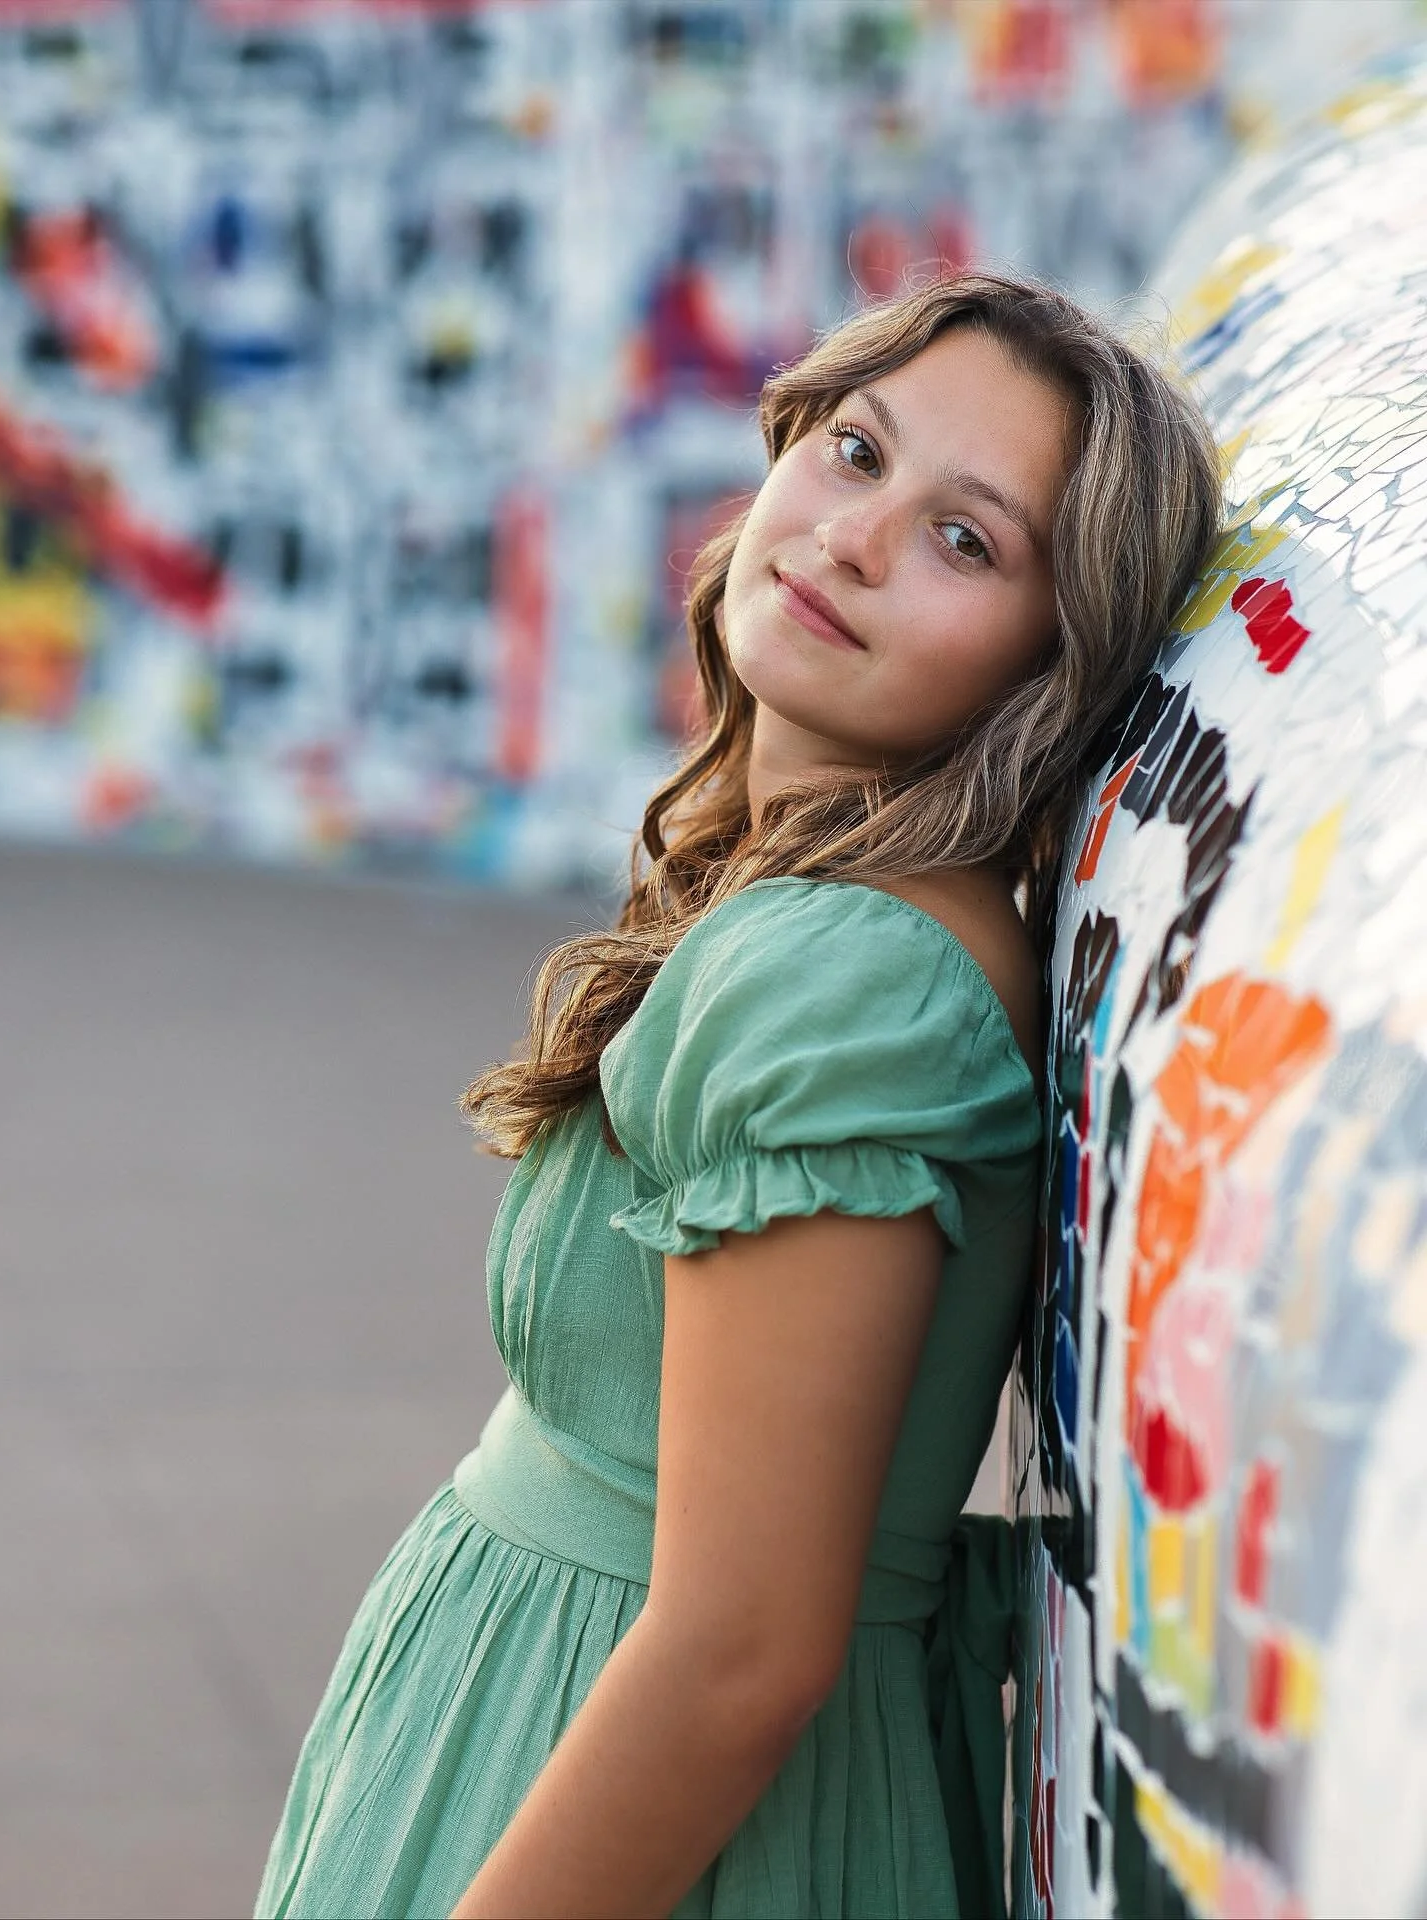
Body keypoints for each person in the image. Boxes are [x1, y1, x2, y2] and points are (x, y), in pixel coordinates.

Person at [254, 270, 1220, 1920]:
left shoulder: (847, 981)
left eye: (965, 539)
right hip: (550, 1753)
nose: (854, 538)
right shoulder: (840, 915)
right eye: (857, 452)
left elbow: (741, 1652)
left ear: (1050, 665)